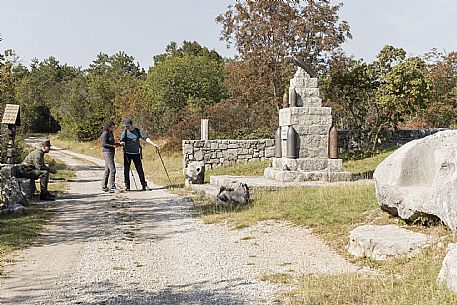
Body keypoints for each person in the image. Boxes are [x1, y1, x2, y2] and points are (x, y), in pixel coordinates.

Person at [120, 119, 158, 191]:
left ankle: (144, 185)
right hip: (127, 153)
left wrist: (153, 144)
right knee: (126, 170)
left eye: (128, 126)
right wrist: (122, 143)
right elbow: (122, 140)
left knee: (140, 170)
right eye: (125, 126)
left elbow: (145, 138)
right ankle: (127, 186)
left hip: (136, 153)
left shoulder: (137, 131)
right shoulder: (124, 132)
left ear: (131, 125)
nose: (126, 127)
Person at [101, 119, 121, 193]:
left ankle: (104, 186)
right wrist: (112, 146)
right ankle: (112, 186)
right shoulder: (105, 133)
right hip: (107, 152)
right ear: (108, 126)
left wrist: (118, 144)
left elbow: (111, 142)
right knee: (113, 169)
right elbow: (104, 144)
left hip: (111, 152)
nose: (113, 128)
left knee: (107, 170)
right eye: (112, 127)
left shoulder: (111, 133)